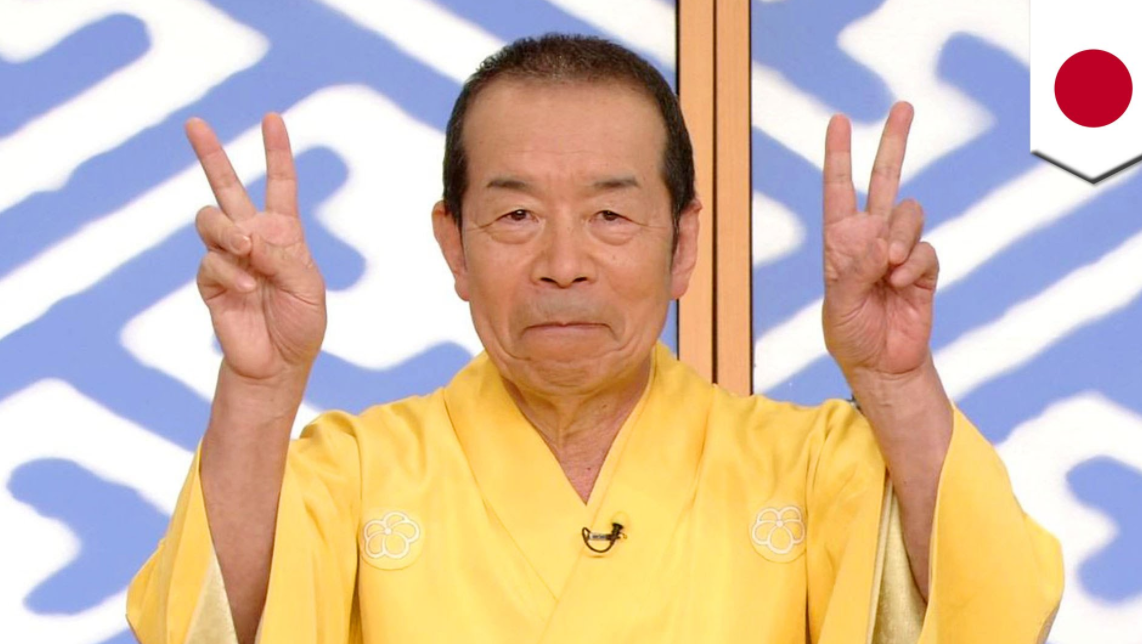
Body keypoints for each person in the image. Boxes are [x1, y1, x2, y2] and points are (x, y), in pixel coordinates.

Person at [126, 34, 1063, 643]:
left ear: (683, 244)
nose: (563, 263)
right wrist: (260, 390)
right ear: (453, 245)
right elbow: (201, 629)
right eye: (516, 216)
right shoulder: (354, 471)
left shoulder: (812, 465)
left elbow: (995, 615)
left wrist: (896, 384)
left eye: (610, 216)